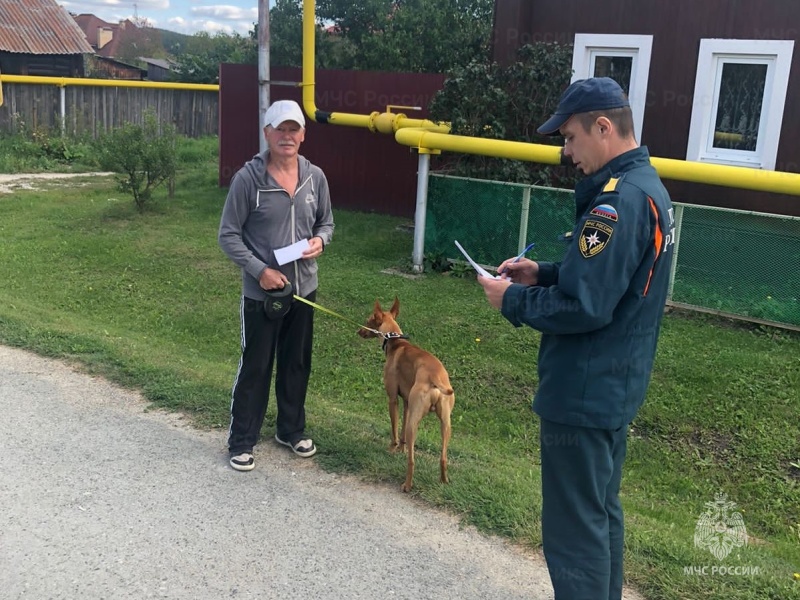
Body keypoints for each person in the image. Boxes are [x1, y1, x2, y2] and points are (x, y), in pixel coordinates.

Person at [476, 77, 675, 599]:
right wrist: (539, 273)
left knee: (573, 533)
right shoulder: (647, 187)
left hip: (584, 393)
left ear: (603, 127)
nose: (567, 153)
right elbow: (605, 279)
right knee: (600, 515)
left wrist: (510, 301)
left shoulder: (615, 205)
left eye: (570, 137)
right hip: (613, 387)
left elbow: (586, 305)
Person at [218, 99, 334, 472]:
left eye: (294, 129)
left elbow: (327, 223)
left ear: (303, 134)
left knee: (296, 363)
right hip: (263, 293)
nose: (287, 136)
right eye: (280, 129)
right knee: (256, 364)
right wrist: (259, 270)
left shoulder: (315, 177)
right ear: (267, 132)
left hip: (303, 290)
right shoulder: (248, 180)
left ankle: (290, 430)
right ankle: (242, 440)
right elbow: (228, 236)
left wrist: (321, 241)